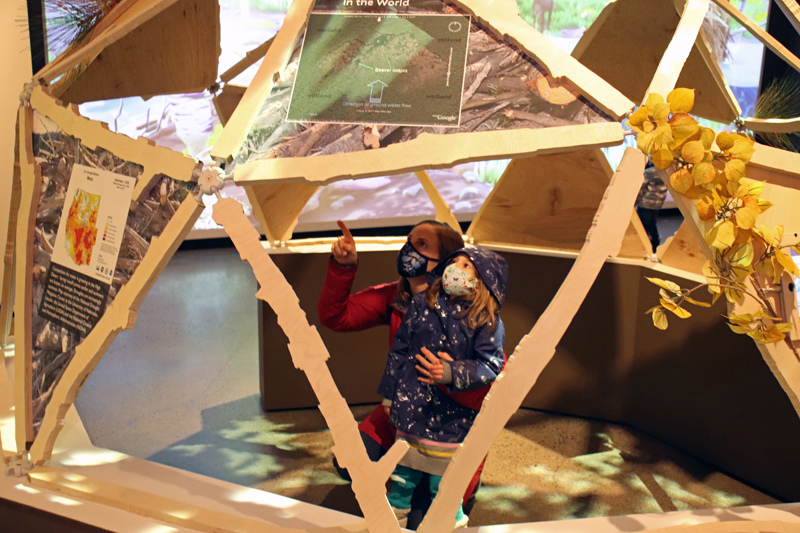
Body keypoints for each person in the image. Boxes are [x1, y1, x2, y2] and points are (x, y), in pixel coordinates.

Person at [317, 220, 494, 528]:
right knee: (348, 462)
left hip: (451, 426)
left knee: (427, 517)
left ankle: (459, 482)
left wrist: (448, 374)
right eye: (410, 241)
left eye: (422, 245)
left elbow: (489, 379)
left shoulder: (471, 312)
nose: (409, 250)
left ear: (448, 262)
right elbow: (336, 316)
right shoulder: (397, 299)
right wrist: (343, 267)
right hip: (405, 415)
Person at [378, 246, 507, 528]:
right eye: (454, 262)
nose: (456, 269)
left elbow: (491, 366)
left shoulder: (487, 321)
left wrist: (452, 371)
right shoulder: (423, 303)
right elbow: (399, 350)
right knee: (403, 473)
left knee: (444, 481)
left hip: (452, 416)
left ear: (484, 279)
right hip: (413, 406)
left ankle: (449, 521)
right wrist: (389, 395)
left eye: (466, 266)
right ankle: (390, 521)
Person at [636, 158, 668, 253]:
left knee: (643, 226)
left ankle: (644, 247)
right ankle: (655, 243)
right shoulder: (665, 173)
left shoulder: (648, 172)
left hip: (645, 203)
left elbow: (641, 189)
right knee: (652, 223)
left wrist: (635, 201)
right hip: (658, 203)